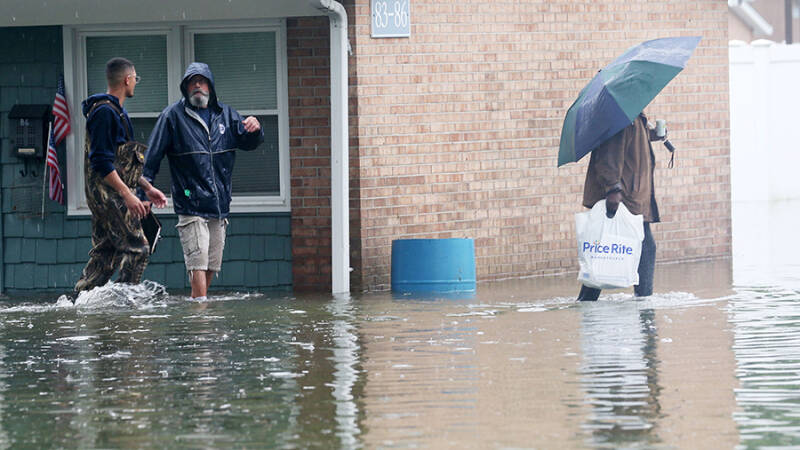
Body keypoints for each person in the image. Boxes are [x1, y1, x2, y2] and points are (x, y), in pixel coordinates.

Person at [143, 62, 264, 300]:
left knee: (211, 263)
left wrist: (255, 128)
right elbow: (152, 156)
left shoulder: (226, 115)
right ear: (186, 87)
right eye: (192, 81)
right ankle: (200, 315)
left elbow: (249, 143)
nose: (197, 85)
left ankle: (199, 304)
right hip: (189, 201)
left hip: (218, 204)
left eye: (202, 81)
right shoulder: (172, 117)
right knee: (196, 261)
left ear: (210, 86)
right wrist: (145, 187)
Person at [75, 57, 168, 293]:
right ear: (127, 80)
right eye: (135, 78)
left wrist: (146, 188)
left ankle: (82, 301)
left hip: (116, 194)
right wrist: (127, 195)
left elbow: (123, 163)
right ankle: (123, 306)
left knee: (106, 254)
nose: (136, 83)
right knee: (137, 248)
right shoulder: (104, 113)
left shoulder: (118, 114)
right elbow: (101, 162)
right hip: (109, 196)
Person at [577, 112, 666, 301]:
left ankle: (588, 300)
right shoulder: (622, 118)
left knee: (605, 252)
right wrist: (612, 189)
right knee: (644, 247)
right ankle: (644, 303)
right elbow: (608, 154)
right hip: (625, 197)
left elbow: (632, 143)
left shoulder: (635, 118)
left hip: (633, 196)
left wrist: (653, 135)